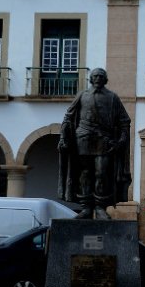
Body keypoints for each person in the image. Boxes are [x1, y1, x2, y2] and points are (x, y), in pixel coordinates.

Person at [58, 68, 132, 219]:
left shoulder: (112, 97)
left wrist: (121, 140)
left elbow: (124, 121)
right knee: (85, 173)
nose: (98, 78)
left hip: (103, 140)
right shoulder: (82, 95)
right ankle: (86, 207)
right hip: (83, 138)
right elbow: (68, 117)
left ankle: (100, 206)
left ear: (105, 80)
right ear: (91, 79)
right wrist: (63, 138)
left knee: (101, 173)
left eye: (101, 76)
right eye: (95, 76)